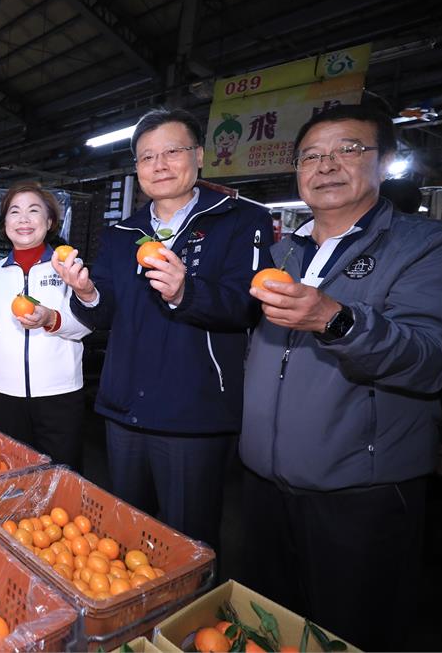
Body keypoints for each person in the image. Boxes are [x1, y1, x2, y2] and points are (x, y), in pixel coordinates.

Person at [239, 104, 442, 651]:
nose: (326, 165)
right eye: (311, 155)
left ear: (385, 163)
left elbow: (430, 360)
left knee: (348, 633)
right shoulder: (284, 250)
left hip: (358, 496)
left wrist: (337, 319)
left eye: (347, 149)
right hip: (264, 485)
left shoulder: (424, 246)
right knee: (267, 627)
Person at [53, 108, 273, 554]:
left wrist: (184, 293)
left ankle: (188, 624)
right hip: (124, 409)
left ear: (199, 156)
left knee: (188, 541)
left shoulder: (238, 220)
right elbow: (103, 314)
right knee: (129, 538)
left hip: (193, 414)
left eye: (172, 151)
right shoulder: (122, 233)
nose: (159, 164)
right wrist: (87, 291)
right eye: (147, 156)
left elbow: (247, 305)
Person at [0, 183, 91, 469]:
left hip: (59, 395)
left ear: (50, 221)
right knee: (11, 472)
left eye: (33, 211)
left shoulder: (68, 268)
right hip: (5, 394)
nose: (24, 219)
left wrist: (50, 319)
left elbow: (86, 324)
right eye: (14, 212)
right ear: (5, 225)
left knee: (61, 475)